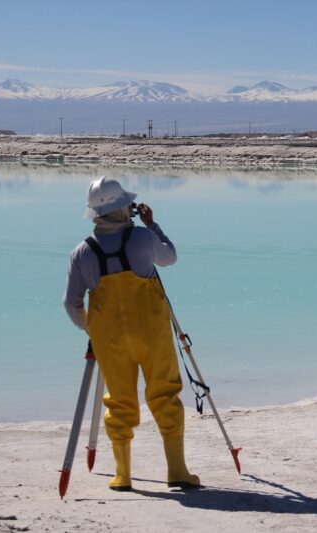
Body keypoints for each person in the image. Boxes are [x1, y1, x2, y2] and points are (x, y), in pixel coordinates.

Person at [63, 176, 200, 492]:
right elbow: (170, 257)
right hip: (152, 333)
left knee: (120, 401)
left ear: (95, 214)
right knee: (164, 393)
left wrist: (90, 327)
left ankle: (122, 474)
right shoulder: (142, 238)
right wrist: (153, 225)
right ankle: (177, 470)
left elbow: (71, 304)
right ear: (125, 208)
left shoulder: (81, 253)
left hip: (110, 340)